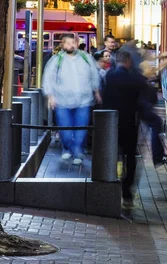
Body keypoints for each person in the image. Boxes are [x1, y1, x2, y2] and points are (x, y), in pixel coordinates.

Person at [42, 34, 101, 165]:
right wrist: (50, 96)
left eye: (72, 42)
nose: (70, 45)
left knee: (81, 128)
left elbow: (94, 74)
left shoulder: (87, 58)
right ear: (62, 45)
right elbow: (48, 78)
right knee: (65, 129)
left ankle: (78, 150)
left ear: (76, 42)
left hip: (84, 100)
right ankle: (68, 148)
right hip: (62, 101)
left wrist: (97, 91)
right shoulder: (56, 60)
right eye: (67, 43)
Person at [102, 49, 147, 207]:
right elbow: (145, 97)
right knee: (130, 157)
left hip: (110, 122)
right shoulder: (134, 79)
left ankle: (109, 186)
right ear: (128, 61)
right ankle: (127, 190)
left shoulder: (109, 76)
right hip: (130, 122)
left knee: (113, 154)